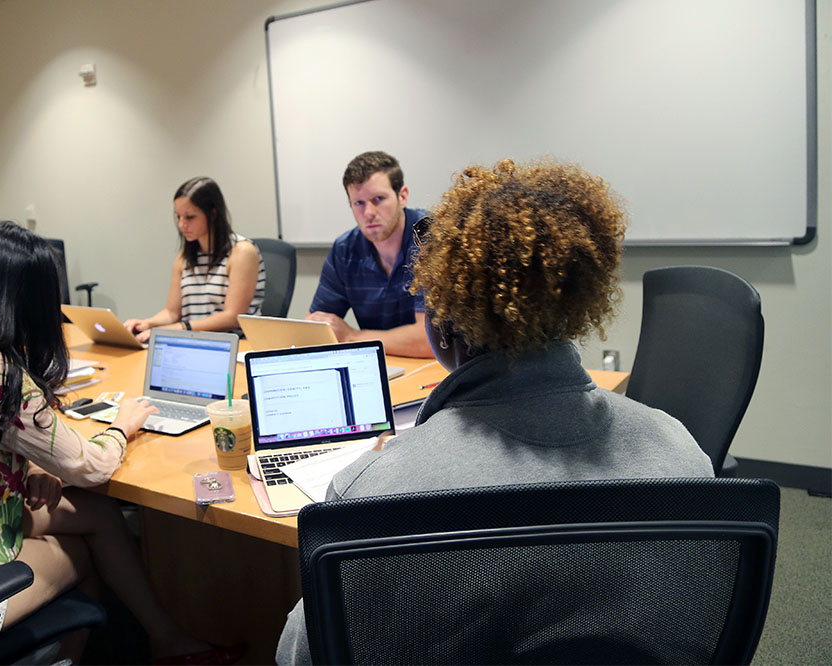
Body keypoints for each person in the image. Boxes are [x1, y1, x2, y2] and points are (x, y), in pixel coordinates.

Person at [276, 159, 714, 664]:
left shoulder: (372, 495)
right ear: (578, 300)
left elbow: (304, 655)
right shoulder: (683, 453)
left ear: (439, 324)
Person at [0, 222, 243, 663]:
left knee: (101, 514)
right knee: (81, 554)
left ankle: (167, 641)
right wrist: (123, 426)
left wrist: (33, 465)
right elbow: (90, 467)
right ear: (34, 301)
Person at [307, 151, 434, 358]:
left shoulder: (430, 238)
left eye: (378, 199)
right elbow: (318, 324)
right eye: (359, 203)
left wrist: (353, 336)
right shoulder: (345, 249)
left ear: (402, 196)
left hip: (435, 372)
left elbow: (430, 340)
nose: (369, 213)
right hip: (382, 364)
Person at [124, 177, 265, 342]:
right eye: (178, 217)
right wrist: (147, 324)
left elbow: (233, 317)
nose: (182, 224)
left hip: (234, 345)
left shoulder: (242, 252)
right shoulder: (184, 257)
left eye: (190, 217)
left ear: (212, 214)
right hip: (194, 343)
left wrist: (182, 327)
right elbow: (172, 312)